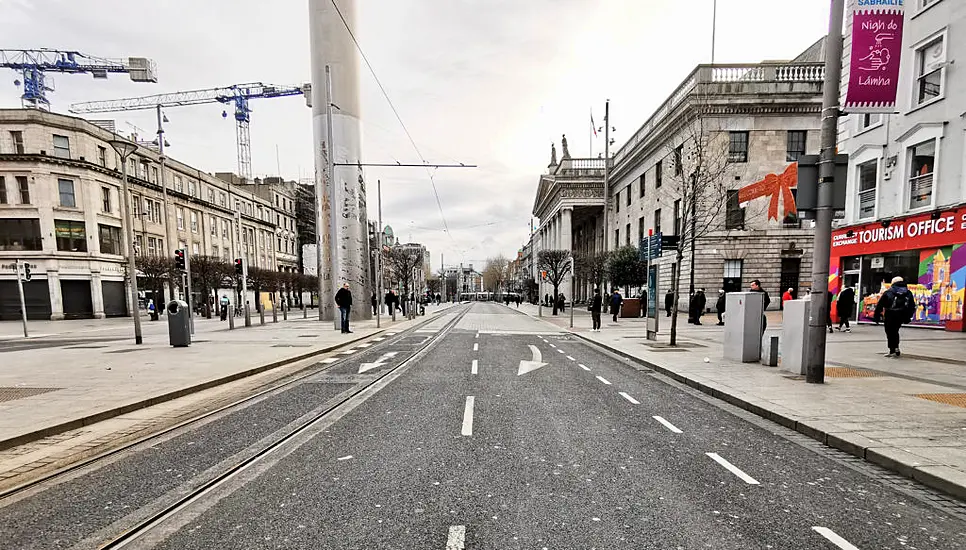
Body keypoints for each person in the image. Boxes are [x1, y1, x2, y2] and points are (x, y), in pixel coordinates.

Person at [874, 276, 916, 358]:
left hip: (890, 314)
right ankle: (896, 347)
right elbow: (912, 306)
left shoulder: (889, 291)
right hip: (901, 314)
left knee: (889, 331)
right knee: (895, 331)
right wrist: (908, 316)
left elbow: (880, 304)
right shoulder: (908, 292)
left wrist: (877, 315)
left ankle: (892, 350)